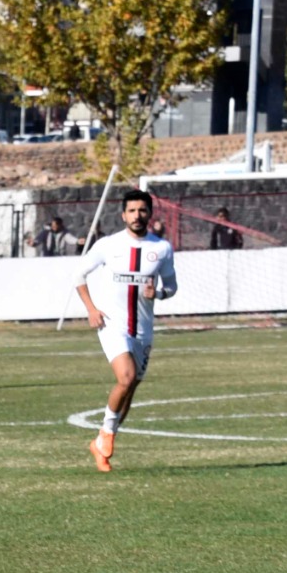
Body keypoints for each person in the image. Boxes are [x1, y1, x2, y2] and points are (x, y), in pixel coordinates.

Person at [73, 187, 178, 474]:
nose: (137, 215)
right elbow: (78, 275)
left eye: (142, 210)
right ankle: (106, 435)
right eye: (132, 210)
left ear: (150, 214)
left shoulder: (162, 248)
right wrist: (92, 310)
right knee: (126, 376)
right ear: (123, 215)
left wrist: (157, 292)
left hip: (143, 329)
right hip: (112, 324)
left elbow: (171, 287)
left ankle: (101, 443)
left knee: (130, 388)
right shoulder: (108, 245)